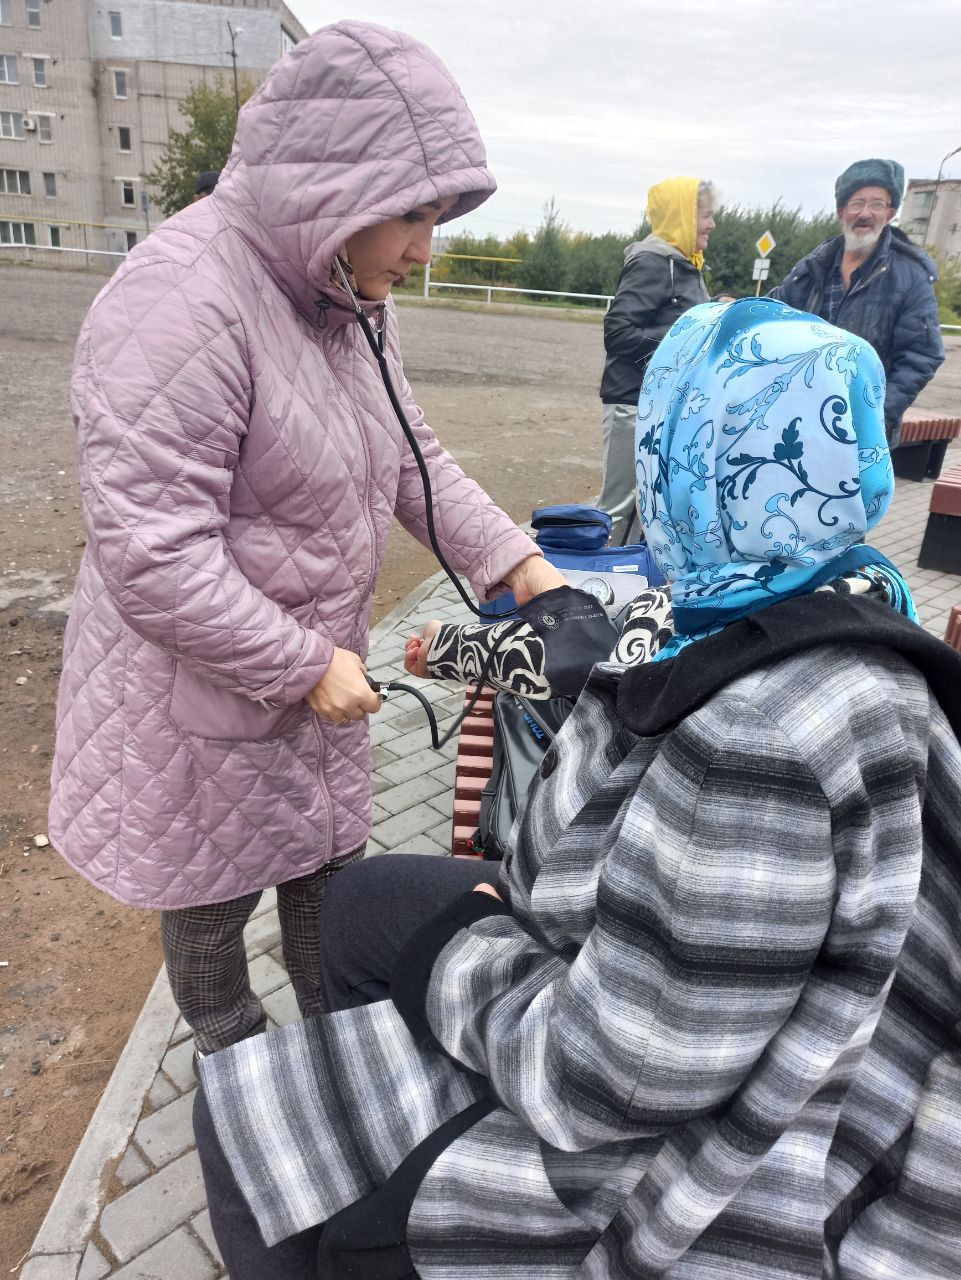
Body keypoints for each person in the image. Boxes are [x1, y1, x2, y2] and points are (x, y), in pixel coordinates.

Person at [195, 299, 961, 1279]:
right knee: (359, 902)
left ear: (694, 460)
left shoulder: (761, 736)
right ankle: (393, 1085)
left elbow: (616, 1077)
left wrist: (452, 959)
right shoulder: (834, 594)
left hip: (709, 1161)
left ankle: (375, 1162)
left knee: (249, 1134)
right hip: (714, 989)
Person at [48, 21, 560, 1059]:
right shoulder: (179, 300)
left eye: (439, 216)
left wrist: (517, 559)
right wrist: (300, 662)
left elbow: (411, 450)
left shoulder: (349, 297)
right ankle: (235, 1059)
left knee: (331, 876)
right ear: (334, 190)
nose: (424, 250)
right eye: (411, 215)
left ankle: (341, 1058)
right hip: (204, 702)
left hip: (309, 686)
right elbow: (152, 549)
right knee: (208, 912)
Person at [769, 158, 944, 446]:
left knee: (856, 492)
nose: (865, 213)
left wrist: (876, 415)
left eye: (876, 204)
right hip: (803, 421)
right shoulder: (814, 266)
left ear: (890, 212)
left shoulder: (910, 274)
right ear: (842, 212)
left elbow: (922, 355)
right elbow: (773, 316)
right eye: (856, 203)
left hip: (864, 433)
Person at [596, 176, 715, 544]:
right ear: (681, 215)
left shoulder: (684, 265)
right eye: (705, 216)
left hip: (661, 406)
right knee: (619, 510)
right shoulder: (653, 262)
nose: (711, 224)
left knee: (648, 508)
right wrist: (682, 344)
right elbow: (617, 332)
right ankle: (595, 593)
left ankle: (630, 591)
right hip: (634, 405)